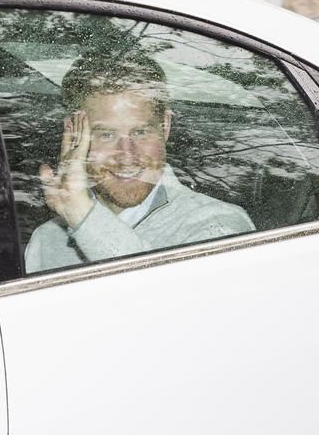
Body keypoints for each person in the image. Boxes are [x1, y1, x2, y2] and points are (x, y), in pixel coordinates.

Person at [25, 52, 254, 272]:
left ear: (165, 127)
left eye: (141, 132)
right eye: (106, 135)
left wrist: (83, 216)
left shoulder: (219, 226)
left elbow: (177, 303)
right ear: (73, 133)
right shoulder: (47, 241)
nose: (127, 155)